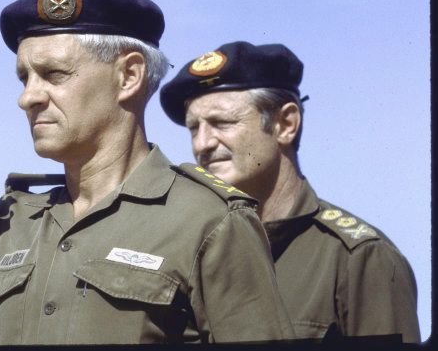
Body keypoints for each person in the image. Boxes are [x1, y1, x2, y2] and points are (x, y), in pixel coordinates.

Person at [0, 0, 295, 345]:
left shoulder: (211, 223)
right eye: (24, 77)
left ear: (129, 75)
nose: (27, 97)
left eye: (54, 75)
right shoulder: (3, 229)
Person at [159, 41, 421, 343]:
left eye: (222, 123)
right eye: (194, 128)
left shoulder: (359, 259)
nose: (202, 143)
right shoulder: (188, 249)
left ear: (286, 124)